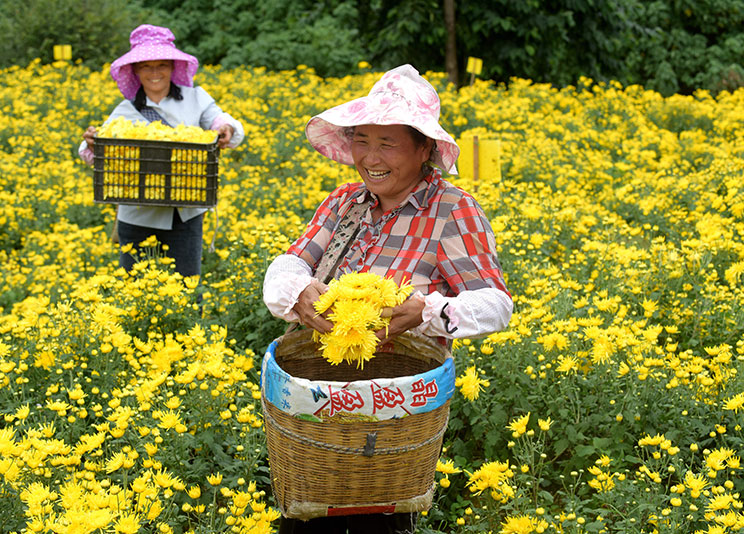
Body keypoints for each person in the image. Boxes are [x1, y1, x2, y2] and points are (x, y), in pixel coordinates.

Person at [262, 65, 513, 533]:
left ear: (424, 150)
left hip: (393, 412)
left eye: (388, 143)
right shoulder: (345, 202)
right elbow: (290, 262)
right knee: (308, 515)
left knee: (378, 519)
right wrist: (298, 289)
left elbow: (496, 305)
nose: (370, 157)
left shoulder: (451, 210)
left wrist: (429, 311)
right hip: (317, 404)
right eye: (362, 140)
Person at [78, 24, 245, 277]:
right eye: (145, 66)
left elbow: (222, 121)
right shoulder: (125, 110)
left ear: (172, 67)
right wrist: (92, 142)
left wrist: (225, 129)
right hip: (136, 215)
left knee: (187, 287)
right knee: (134, 289)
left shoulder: (196, 98)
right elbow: (91, 151)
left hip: (185, 213)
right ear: (135, 70)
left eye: (161, 65)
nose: (154, 72)